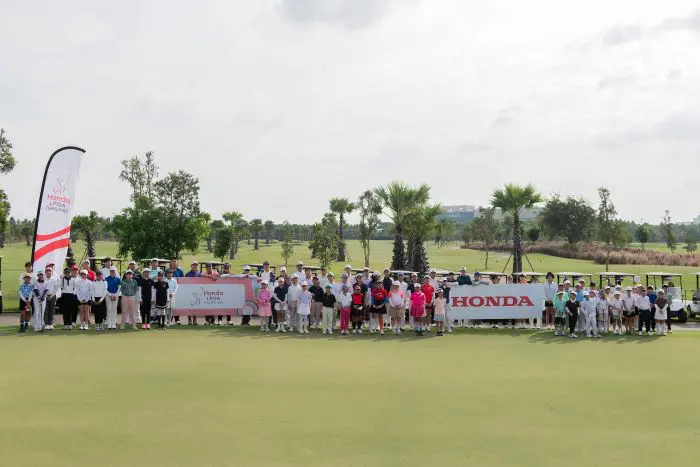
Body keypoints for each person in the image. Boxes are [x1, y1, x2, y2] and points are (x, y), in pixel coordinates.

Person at [104, 266, 121, 330]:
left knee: (114, 309)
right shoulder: (106, 279)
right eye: (111, 271)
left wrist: (115, 295)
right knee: (109, 309)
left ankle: (113, 324)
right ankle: (109, 323)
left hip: (115, 295)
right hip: (108, 295)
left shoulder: (118, 279)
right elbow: (105, 288)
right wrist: (110, 295)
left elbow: (119, 288)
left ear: (115, 271)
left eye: (113, 271)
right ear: (110, 271)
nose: (112, 272)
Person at [184, 261, 200, 325]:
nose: (195, 266)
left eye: (196, 265)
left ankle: (195, 320)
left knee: (195, 307)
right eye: (194, 265)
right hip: (189, 292)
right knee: (189, 306)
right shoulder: (187, 274)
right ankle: (189, 320)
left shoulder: (199, 274)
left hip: (196, 292)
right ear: (191, 266)